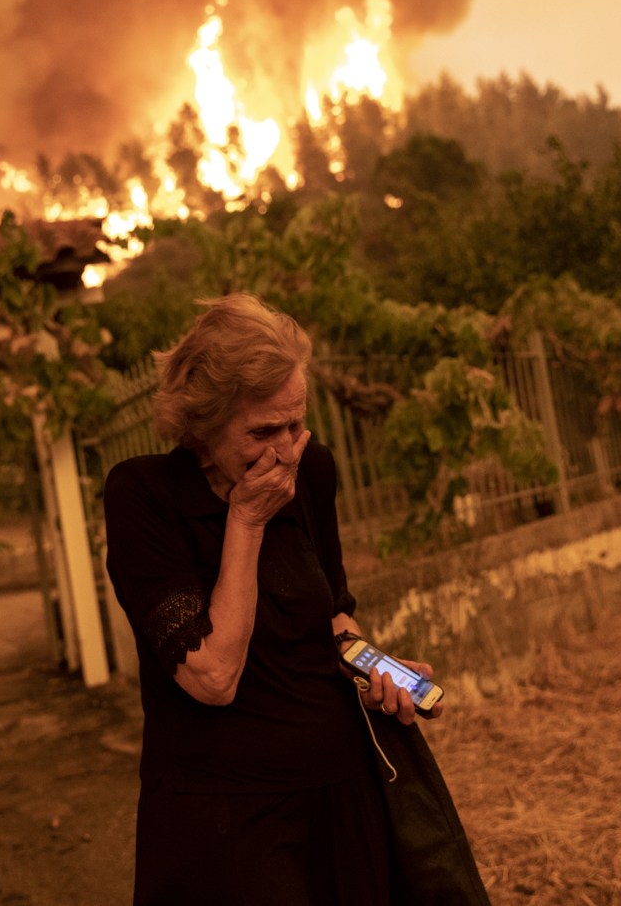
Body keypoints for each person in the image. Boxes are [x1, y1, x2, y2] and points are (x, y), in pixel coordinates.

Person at [103, 293, 444, 905]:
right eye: (264, 431)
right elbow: (212, 676)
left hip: (342, 795)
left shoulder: (311, 470)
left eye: (296, 423)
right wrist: (247, 523)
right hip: (227, 819)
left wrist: (374, 669)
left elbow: (331, 619)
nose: (287, 448)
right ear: (202, 421)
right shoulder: (143, 496)